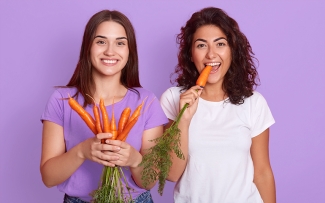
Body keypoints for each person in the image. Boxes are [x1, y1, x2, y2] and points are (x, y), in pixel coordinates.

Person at [40, 10, 168, 203]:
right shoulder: (62, 100)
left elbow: (148, 183)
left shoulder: (147, 101)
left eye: (120, 43)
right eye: (101, 41)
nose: (110, 51)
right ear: (88, 47)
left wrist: (134, 159)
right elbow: (48, 178)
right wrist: (82, 151)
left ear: (129, 51)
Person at [160, 7, 276, 203]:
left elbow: (263, 172)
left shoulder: (253, 103)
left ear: (232, 50)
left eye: (220, 44)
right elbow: (171, 174)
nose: (211, 55)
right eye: (201, 45)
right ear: (190, 54)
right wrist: (183, 120)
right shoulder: (173, 98)